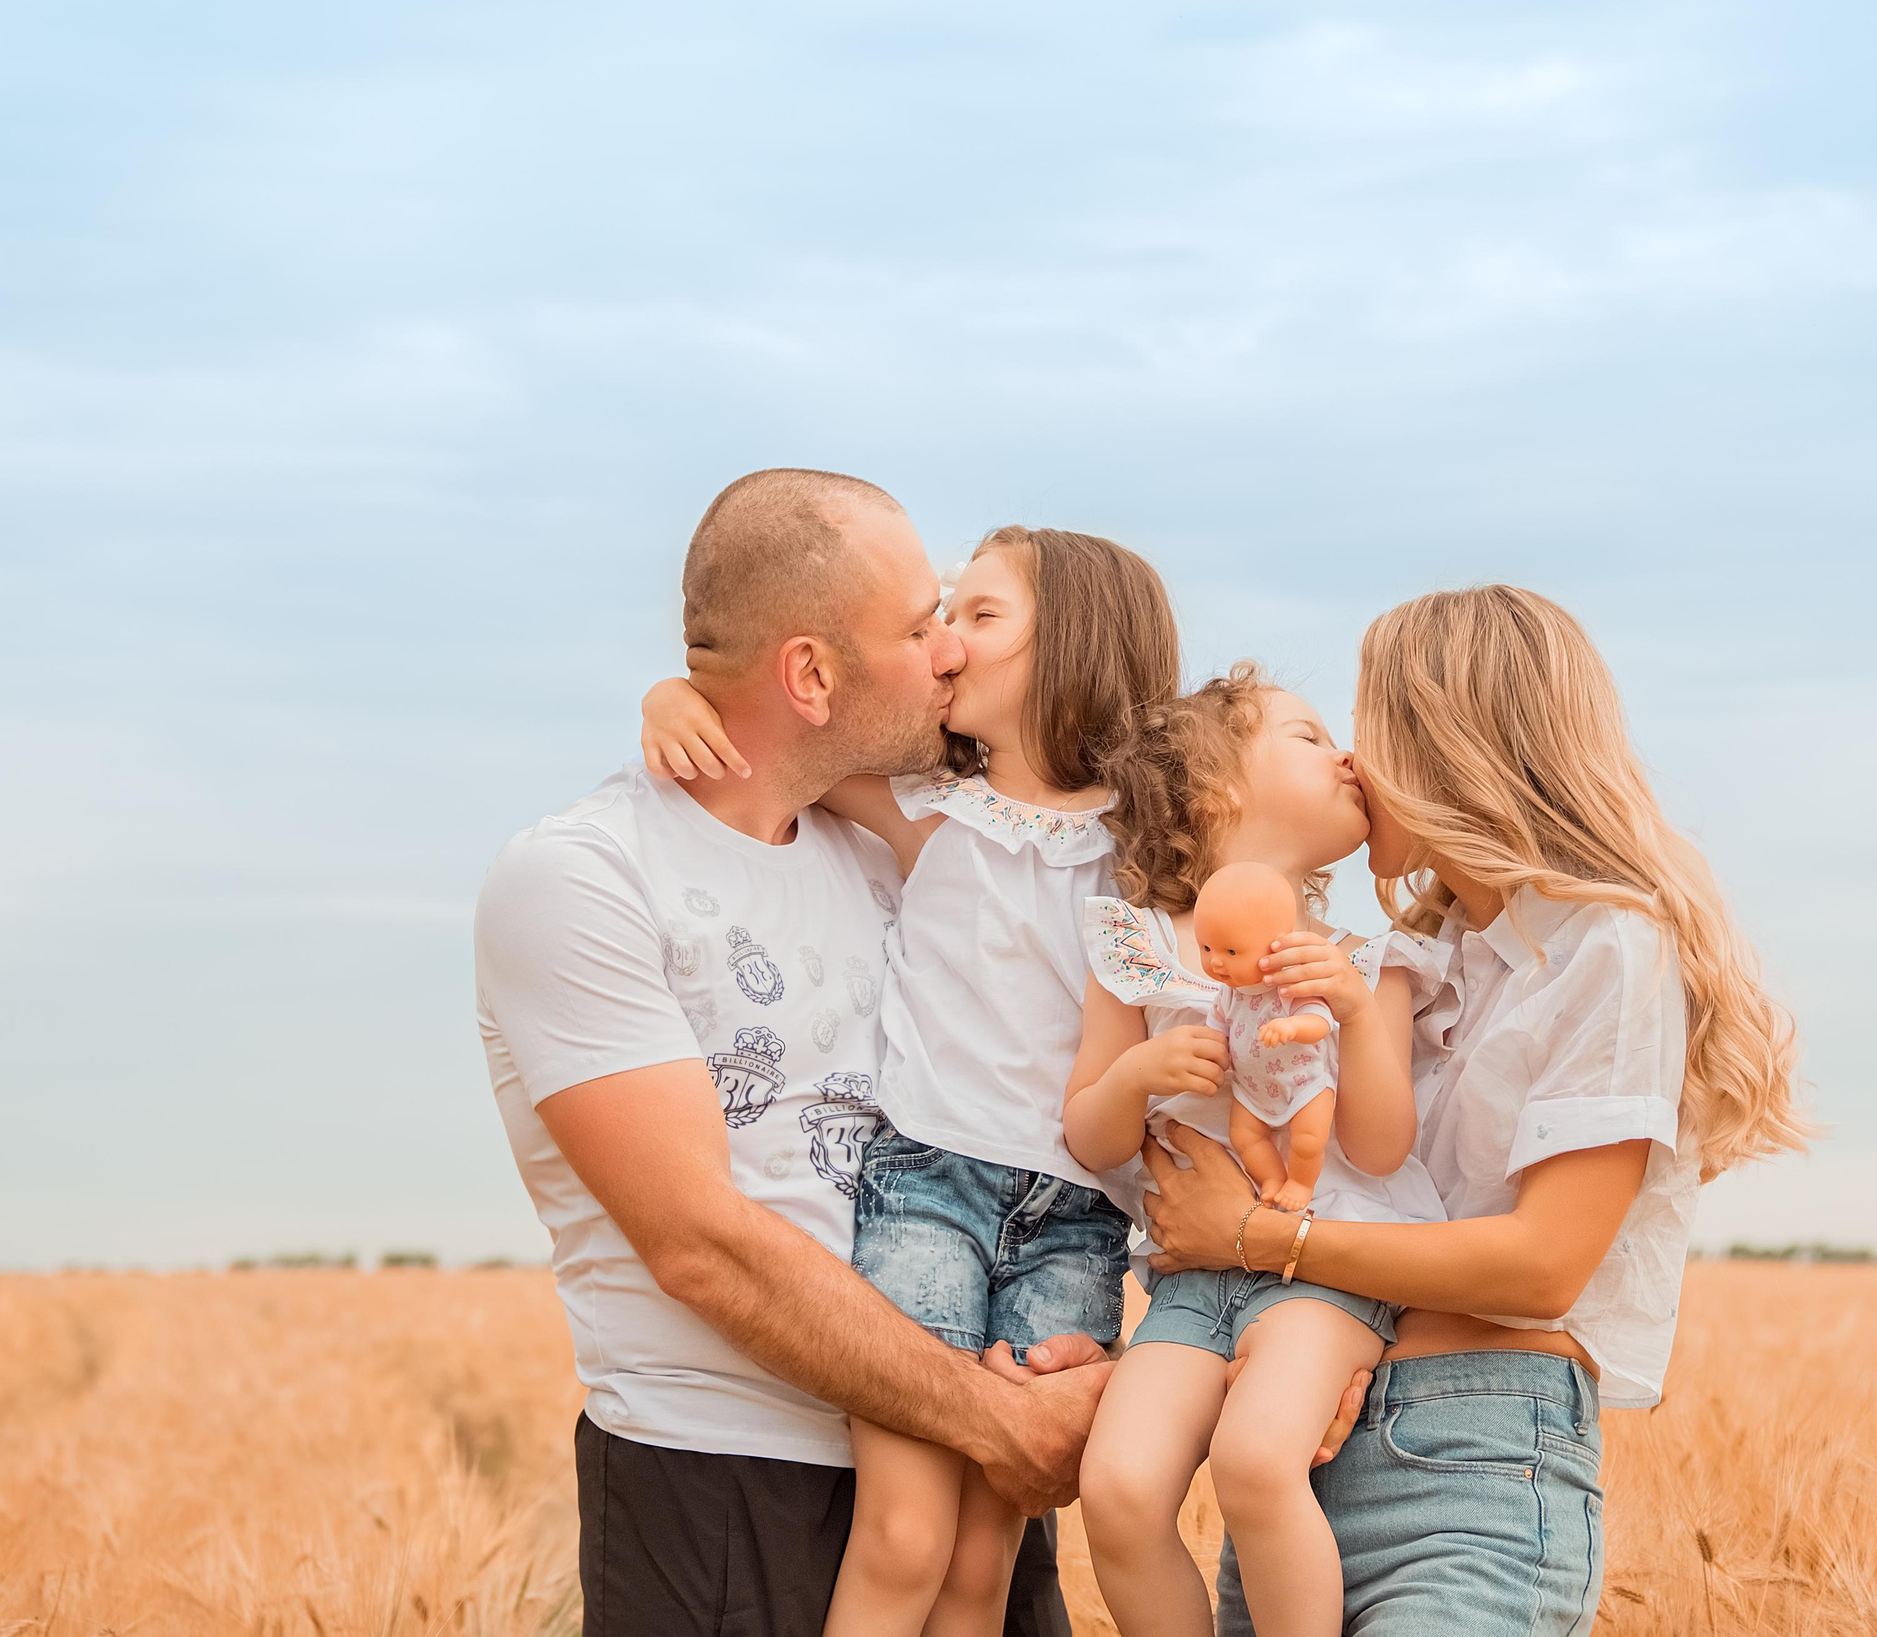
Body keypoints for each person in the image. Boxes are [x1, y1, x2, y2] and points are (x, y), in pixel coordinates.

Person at [475, 470, 1107, 1637]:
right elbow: (700, 1246)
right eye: (921, 626)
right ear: (811, 674)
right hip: (721, 1485)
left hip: (963, 1473)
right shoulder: (582, 879)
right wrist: (991, 1416)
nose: (946, 654)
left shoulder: (897, 852)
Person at [1141, 586, 1813, 1636]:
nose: (1353, 764)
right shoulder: (1412, 969)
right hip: (1312, 1450)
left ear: (1451, 749)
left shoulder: (1607, 949)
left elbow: (1541, 1267)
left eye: (1372, 730)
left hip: (1478, 1465)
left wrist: (1262, 1238)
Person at [639, 524, 1179, 1637]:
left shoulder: (1152, 854)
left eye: (979, 618)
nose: (945, 645)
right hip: (928, 1189)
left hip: (1075, 1226)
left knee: (985, 1564)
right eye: (939, 617)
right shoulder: (931, 808)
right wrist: (668, 695)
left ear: (1075, 649)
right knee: (904, 1535)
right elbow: (765, 739)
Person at [1062, 667, 1441, 1637]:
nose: (1346, 756)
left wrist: (1353, 1018)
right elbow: (1092, 1135)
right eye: (1310, 737)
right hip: (1190, 1285)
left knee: (1257, 1460)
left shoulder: (1366, 963)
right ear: (1214, 788)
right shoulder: (1138, 947)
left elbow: (1383, 1144)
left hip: (1328, 1270)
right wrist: (1139, 1073)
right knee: (1115, 1485)